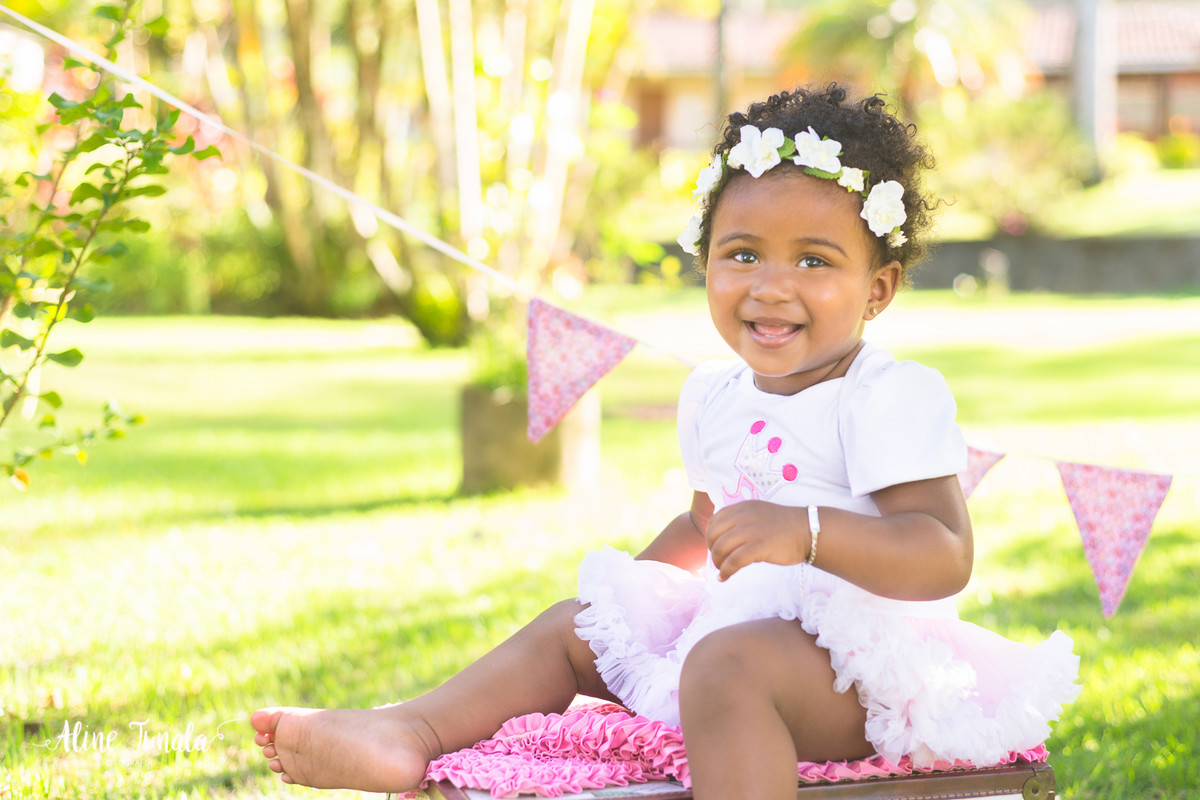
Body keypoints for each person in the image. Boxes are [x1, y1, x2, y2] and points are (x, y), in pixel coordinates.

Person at [251, 83, 1080, 800]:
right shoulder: (714, 394)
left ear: (878, 289)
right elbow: (704, 524)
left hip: (868, 672)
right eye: (743, 253)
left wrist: (808, 533)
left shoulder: (885, 397)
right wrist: (636, 604)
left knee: (727, 667)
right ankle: (411, 733)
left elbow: (941, 551)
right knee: (579, 625)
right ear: (706, 263)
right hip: (750, 628)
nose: (771, 286)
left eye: (815, 261)